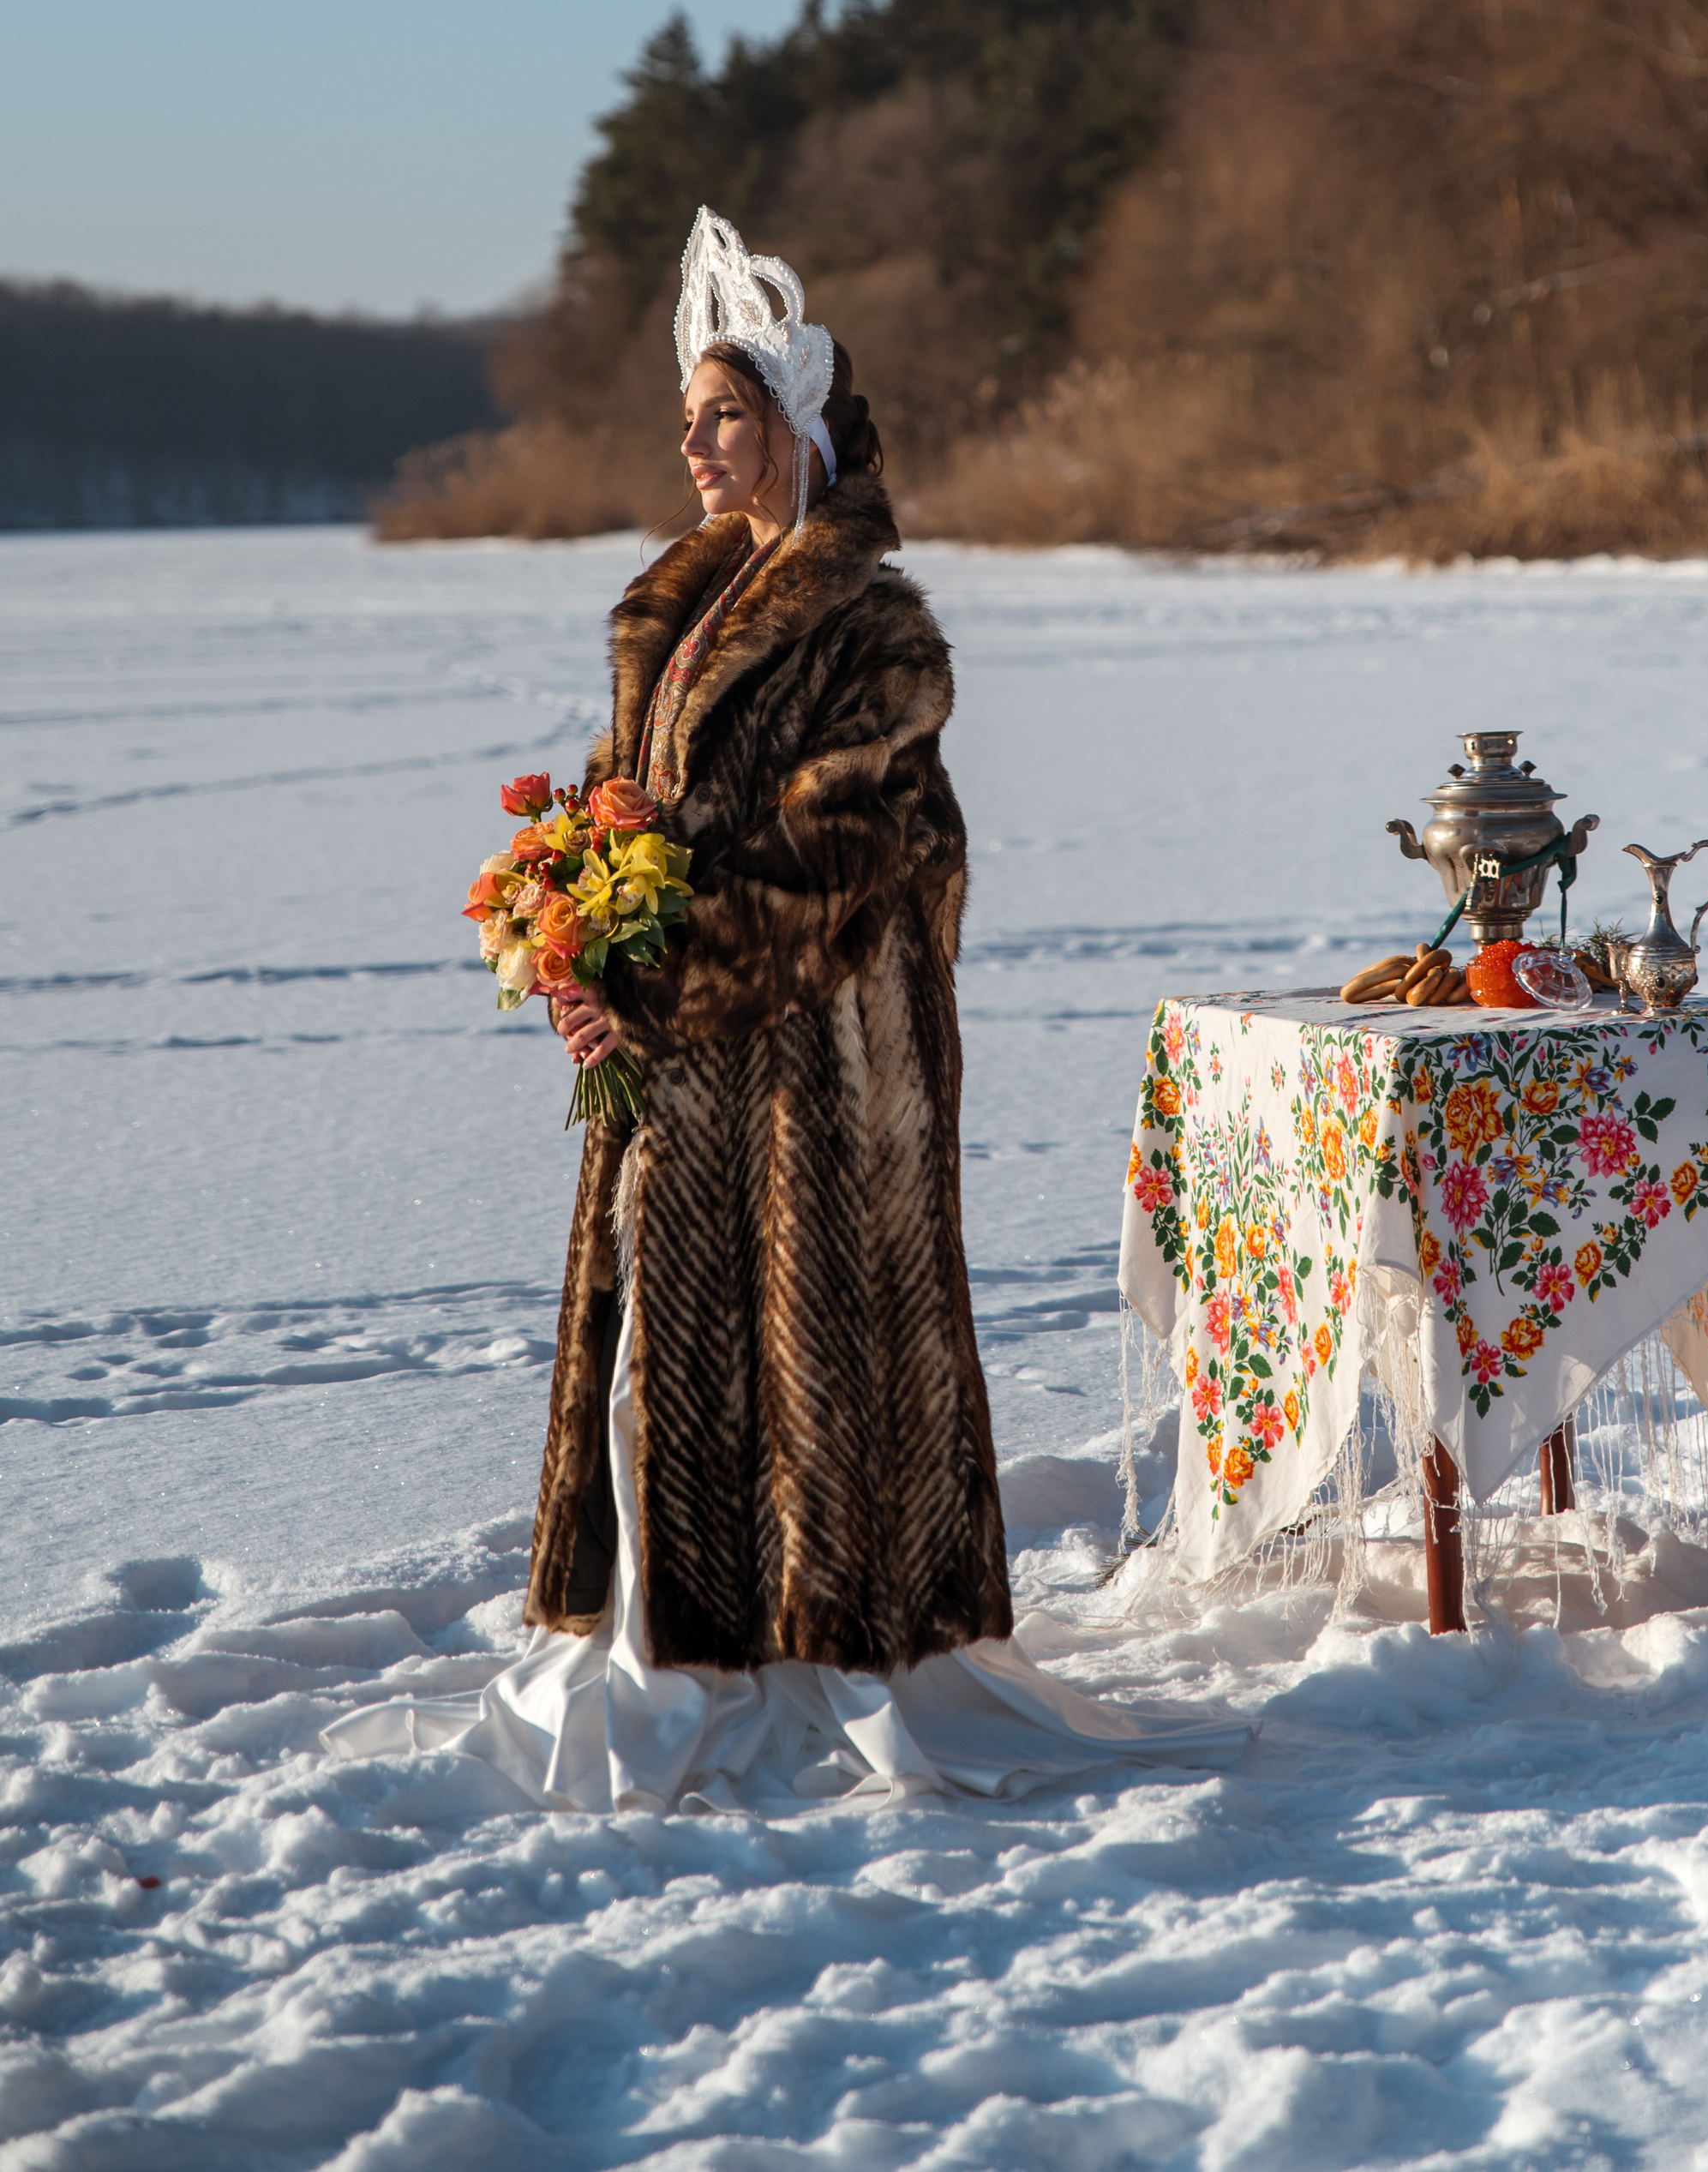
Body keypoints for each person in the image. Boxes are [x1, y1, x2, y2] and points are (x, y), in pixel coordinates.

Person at [329, 211, 1244, 1805]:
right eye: (686, 418)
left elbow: (835, 854)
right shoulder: (672, 612)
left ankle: (823, 1645)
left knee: (817, 1365)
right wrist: (570, 936)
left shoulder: (873, 630)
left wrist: (654, 973)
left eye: (726, 416)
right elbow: (628, 813)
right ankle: (674, 1641)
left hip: (820, 1070)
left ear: (798, 429)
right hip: (682, 1065)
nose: (693, 444)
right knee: (657, 1359)